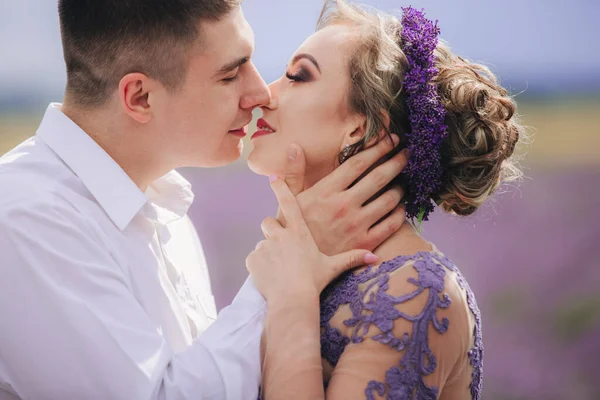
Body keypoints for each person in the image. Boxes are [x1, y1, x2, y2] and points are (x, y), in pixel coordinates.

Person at [0, 1, 408, 399]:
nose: (260, 92)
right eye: (230, 75)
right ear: (140, 97)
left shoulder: (169, 215)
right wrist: (290, 268)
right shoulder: (24, 219)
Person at [246, 1, 523, 399]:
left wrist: (292, 296)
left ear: (360, 129)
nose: (263, 94)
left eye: (297, 76)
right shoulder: (295, 255)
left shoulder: (421, 291)